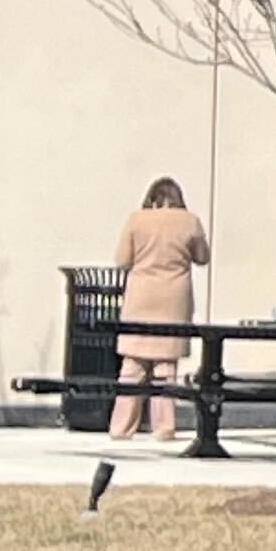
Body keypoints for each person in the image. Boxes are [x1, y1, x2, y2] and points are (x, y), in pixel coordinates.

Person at [108, 177, 207, 439]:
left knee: (132, 366)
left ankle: (121, 427)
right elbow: (202, 257)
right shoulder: (190, 221)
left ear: (152, 198)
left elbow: (122, 260)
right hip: (174, 299)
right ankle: (164, 428)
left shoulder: (136, 220)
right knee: (166, 368)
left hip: (141, 298)